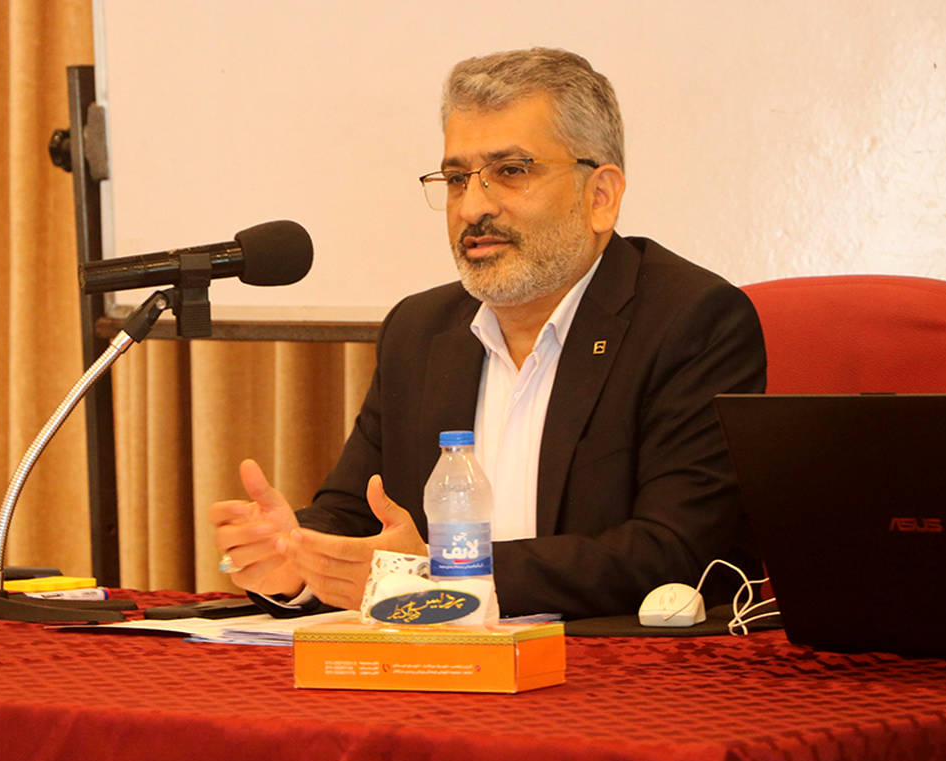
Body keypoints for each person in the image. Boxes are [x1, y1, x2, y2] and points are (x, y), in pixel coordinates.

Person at [210, 47, 766, 620]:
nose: (473, 207)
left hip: (606, 664)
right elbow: (355, 515)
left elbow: (676, 551)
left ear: (600, 196)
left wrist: (443, 575)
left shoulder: (691, 321)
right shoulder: (419, 331)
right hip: (438, 660)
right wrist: (294, 555)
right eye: (456, 179)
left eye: (511, 171)